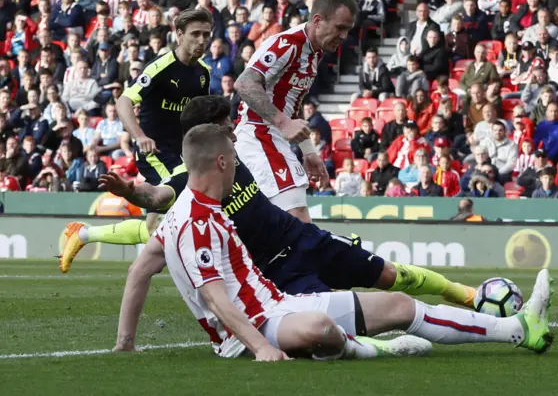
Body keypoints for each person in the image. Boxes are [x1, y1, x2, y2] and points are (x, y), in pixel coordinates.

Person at [62, 97, 496, 352]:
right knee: (345, 323)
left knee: (385, 272)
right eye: (227, 124)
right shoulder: (190, 177)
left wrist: (306, 152)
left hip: (301, 237)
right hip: (279, 272)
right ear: (211, 134)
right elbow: (155, 200)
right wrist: (129, 193)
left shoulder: (235, 153)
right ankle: (393, 345)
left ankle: (469, 296)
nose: (235, 128)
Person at [155, 124, 552, 360]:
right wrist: (259, 347)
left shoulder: (198, 210)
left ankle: (518, 329)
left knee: (399, 303)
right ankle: (371, 349)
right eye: (234, 161)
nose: (238, 168)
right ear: (222, 162)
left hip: (278, 305)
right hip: (259, 326)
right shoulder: (196, 219)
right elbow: (215, 298)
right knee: (320, 327)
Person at [233, 0, 357, 223]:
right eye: (340, 27)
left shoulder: (315, 53)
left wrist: (308, 151)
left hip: (272, 136)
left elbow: (294, 104)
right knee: (297, 213)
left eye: (348, 29)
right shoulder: (287, 43)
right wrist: (283, 122)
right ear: (318, 21)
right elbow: (244, 83)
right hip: (258, 132)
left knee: (266, 221)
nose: (344, 36)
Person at [114, 8, 212, 235]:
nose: (201, 41)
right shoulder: (160, 67)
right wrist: (139, 136)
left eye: (206, 35)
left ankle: (83, 234)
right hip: (154, 152)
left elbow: (202, 116)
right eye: (195, 34)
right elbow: (123, 101)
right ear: (179, 35)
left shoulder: (203, 73)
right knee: (192, 188)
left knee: (151, 230)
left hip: (182, 153)